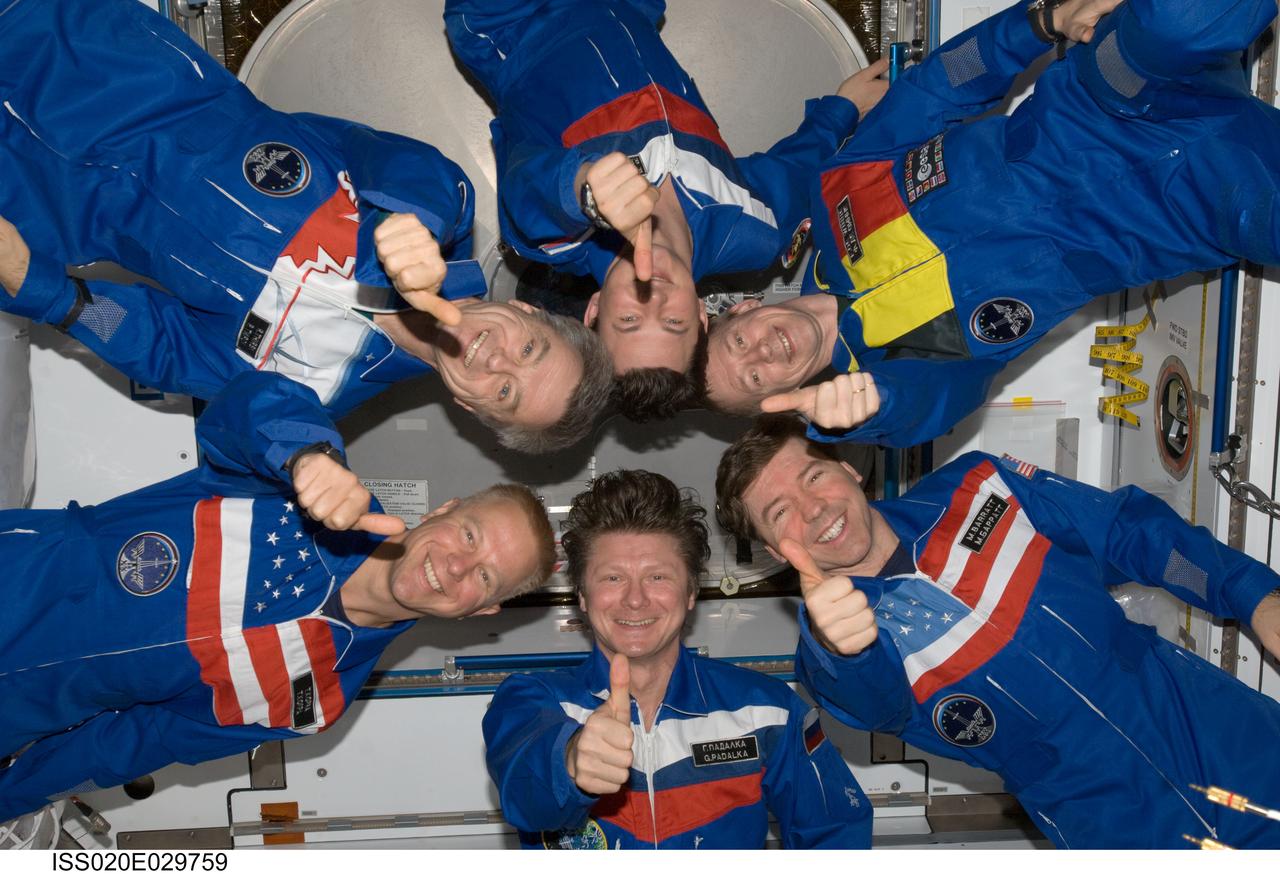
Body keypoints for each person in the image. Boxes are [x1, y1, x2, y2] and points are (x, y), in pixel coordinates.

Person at [0, 0, 612, 453]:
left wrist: (46, 290)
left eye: (505, 393)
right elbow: (414, 172)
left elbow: (164, 348)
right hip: (89, 55)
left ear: (470, 408)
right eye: (530, 350)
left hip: (40, 204)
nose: (497, 360)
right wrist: (412, 228)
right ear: (531, 314)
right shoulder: (438, 206)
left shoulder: (312, 395)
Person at [703, 0, 1280, 448]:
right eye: (756, 380)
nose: (763, 355)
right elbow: (930, 405)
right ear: (784, 397)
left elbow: (938, 86)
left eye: (740, 344)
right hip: (1192, 211)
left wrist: (1043, 21)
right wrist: (863, 414)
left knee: (1177, 21)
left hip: (1112, 101)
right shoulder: (898, 371)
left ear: (742, 309)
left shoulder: (837, 196)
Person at [0, 370, 558, 822]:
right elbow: (238, 407)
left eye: (485, 578)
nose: (456, 566)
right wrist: (307, 456)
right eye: (468, 535)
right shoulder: (294, 490)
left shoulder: (319, 698)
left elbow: (130, 745)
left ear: (482, 610)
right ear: (443, 510)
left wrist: (11, 798)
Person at [714, 414, 1280, 849]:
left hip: (1220, 729)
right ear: (772, 550)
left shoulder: (980, 485)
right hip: (1110, 823)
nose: (813, 510)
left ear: (849, 470)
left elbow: (1124, 531)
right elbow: (869, 697)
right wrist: (842, 645)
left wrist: (1252, 597)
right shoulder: (829, 647)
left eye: (814, 476)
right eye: (781, 513)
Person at [444, 0, 889, 419]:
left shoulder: (557, 240)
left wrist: (586, 193)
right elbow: (797, 168)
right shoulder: (752, 233)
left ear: (595, 309)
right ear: (700, 315)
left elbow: (527, 192)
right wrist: (844, 109)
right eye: (674, 321)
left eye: (629, 319)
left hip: (512, 19)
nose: (654, 296)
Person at [482, 469, 872, 849]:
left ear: (690, 593)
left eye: (658, 577)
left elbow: (835, 833)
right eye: (612, 578)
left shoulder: (768, 710)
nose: (635, 599)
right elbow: (524, 793)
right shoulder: (530, 701)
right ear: (582, 595)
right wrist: (570, 763)